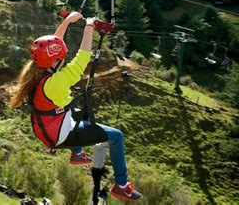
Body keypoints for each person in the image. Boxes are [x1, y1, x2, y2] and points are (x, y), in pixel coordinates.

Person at [9, 12, 142, 202]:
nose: (64, 59)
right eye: (61, 57)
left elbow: (53, 44)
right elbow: (81, 60)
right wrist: (89, 26)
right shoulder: (56, 83)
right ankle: (122, 186)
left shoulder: (37, 71)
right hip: (60, 135)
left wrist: (67, 22)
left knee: (78, 112)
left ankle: (77, 153)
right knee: (116, 136)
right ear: (55, 62)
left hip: (45, 129)